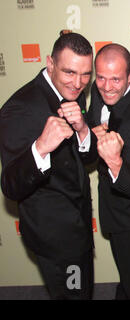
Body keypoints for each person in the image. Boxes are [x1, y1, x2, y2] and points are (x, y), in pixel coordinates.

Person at [0, 33, 95, 299]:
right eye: (69, 72)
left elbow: (85, 160)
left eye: (86, 74)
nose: (78, 83)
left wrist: (84, 130)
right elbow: (10, 185)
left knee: (82, 293)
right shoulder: (20, 108)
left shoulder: (76, 94)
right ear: (50, 64)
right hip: (55, 237)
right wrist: (40, 147)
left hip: (80, 226)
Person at [86, 43, 130, 300]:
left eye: (115, 79)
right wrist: (88, 133)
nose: (106, 87)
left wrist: (114, 162)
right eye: (101, 77)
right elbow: (95, 115)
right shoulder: (100, 89)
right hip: (114, 203)